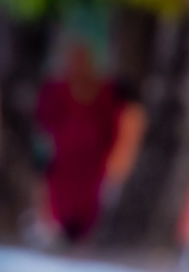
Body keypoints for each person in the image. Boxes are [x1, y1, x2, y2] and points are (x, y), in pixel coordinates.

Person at [34, 42, 142, 244]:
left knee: (90, 201)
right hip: (66, 158)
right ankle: (64, 229)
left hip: (93, 160)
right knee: (63, 198)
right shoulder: (59, 89)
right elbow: (46, 120)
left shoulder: (104, 90)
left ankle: (85, 234)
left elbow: (113, 123)